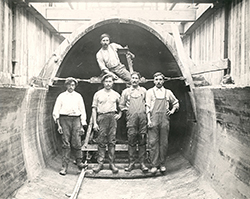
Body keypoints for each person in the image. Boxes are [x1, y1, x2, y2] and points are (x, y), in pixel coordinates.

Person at [146, 72, 179, 174]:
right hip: (153, 119)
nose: (158, 82)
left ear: (163, 80)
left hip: (164, 120)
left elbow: (176, 103)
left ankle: (162, 164)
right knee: (152, 142)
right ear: (154, 80)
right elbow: (147, 107)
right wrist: (149, 120)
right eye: (156, 80)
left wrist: (172, 111)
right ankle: (154, 165)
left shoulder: (168, 92)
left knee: (163, 143)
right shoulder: (150, 92)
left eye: (160, 79)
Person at [52, 77, 87, 175]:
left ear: (75, 86)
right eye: (69, 85)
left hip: (76, 119)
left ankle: (79, 162)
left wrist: (82, 124)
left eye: (73, 85)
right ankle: (64, 167)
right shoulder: (61, 96)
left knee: (77, 141)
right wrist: (58, 125)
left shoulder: (78, 96)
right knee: (66, 143)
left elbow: (82, 110)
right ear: (66, 85)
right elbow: (56, 111)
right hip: (64, 120)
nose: (71, 87)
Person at [91, 74, 122, 174]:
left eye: (110, 81)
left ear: (113, 83)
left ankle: (112, 163)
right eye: (106, 81)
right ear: (103, 82)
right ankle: (100, 163)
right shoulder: (98, 94)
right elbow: (94, 109)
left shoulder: (116, 94)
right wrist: (95, 122)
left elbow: (122, 105)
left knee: (112, 141)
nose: (108, 83)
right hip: (101, 117)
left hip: (112, 118)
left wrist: (120, 114)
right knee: (101, 141)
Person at [119, 71, 148, 172]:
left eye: (136, 78)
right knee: (131, 140)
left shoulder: (144, 91)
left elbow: (148, 103)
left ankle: (142, 163)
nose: (134, 80)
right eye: (133, 78)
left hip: (142, 119)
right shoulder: (126, 92)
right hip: (131, 119)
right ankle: (131, 163)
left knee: (142, 140)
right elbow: (121, 105)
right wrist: (127, 112)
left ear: (139, 80)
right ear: (130, 80)